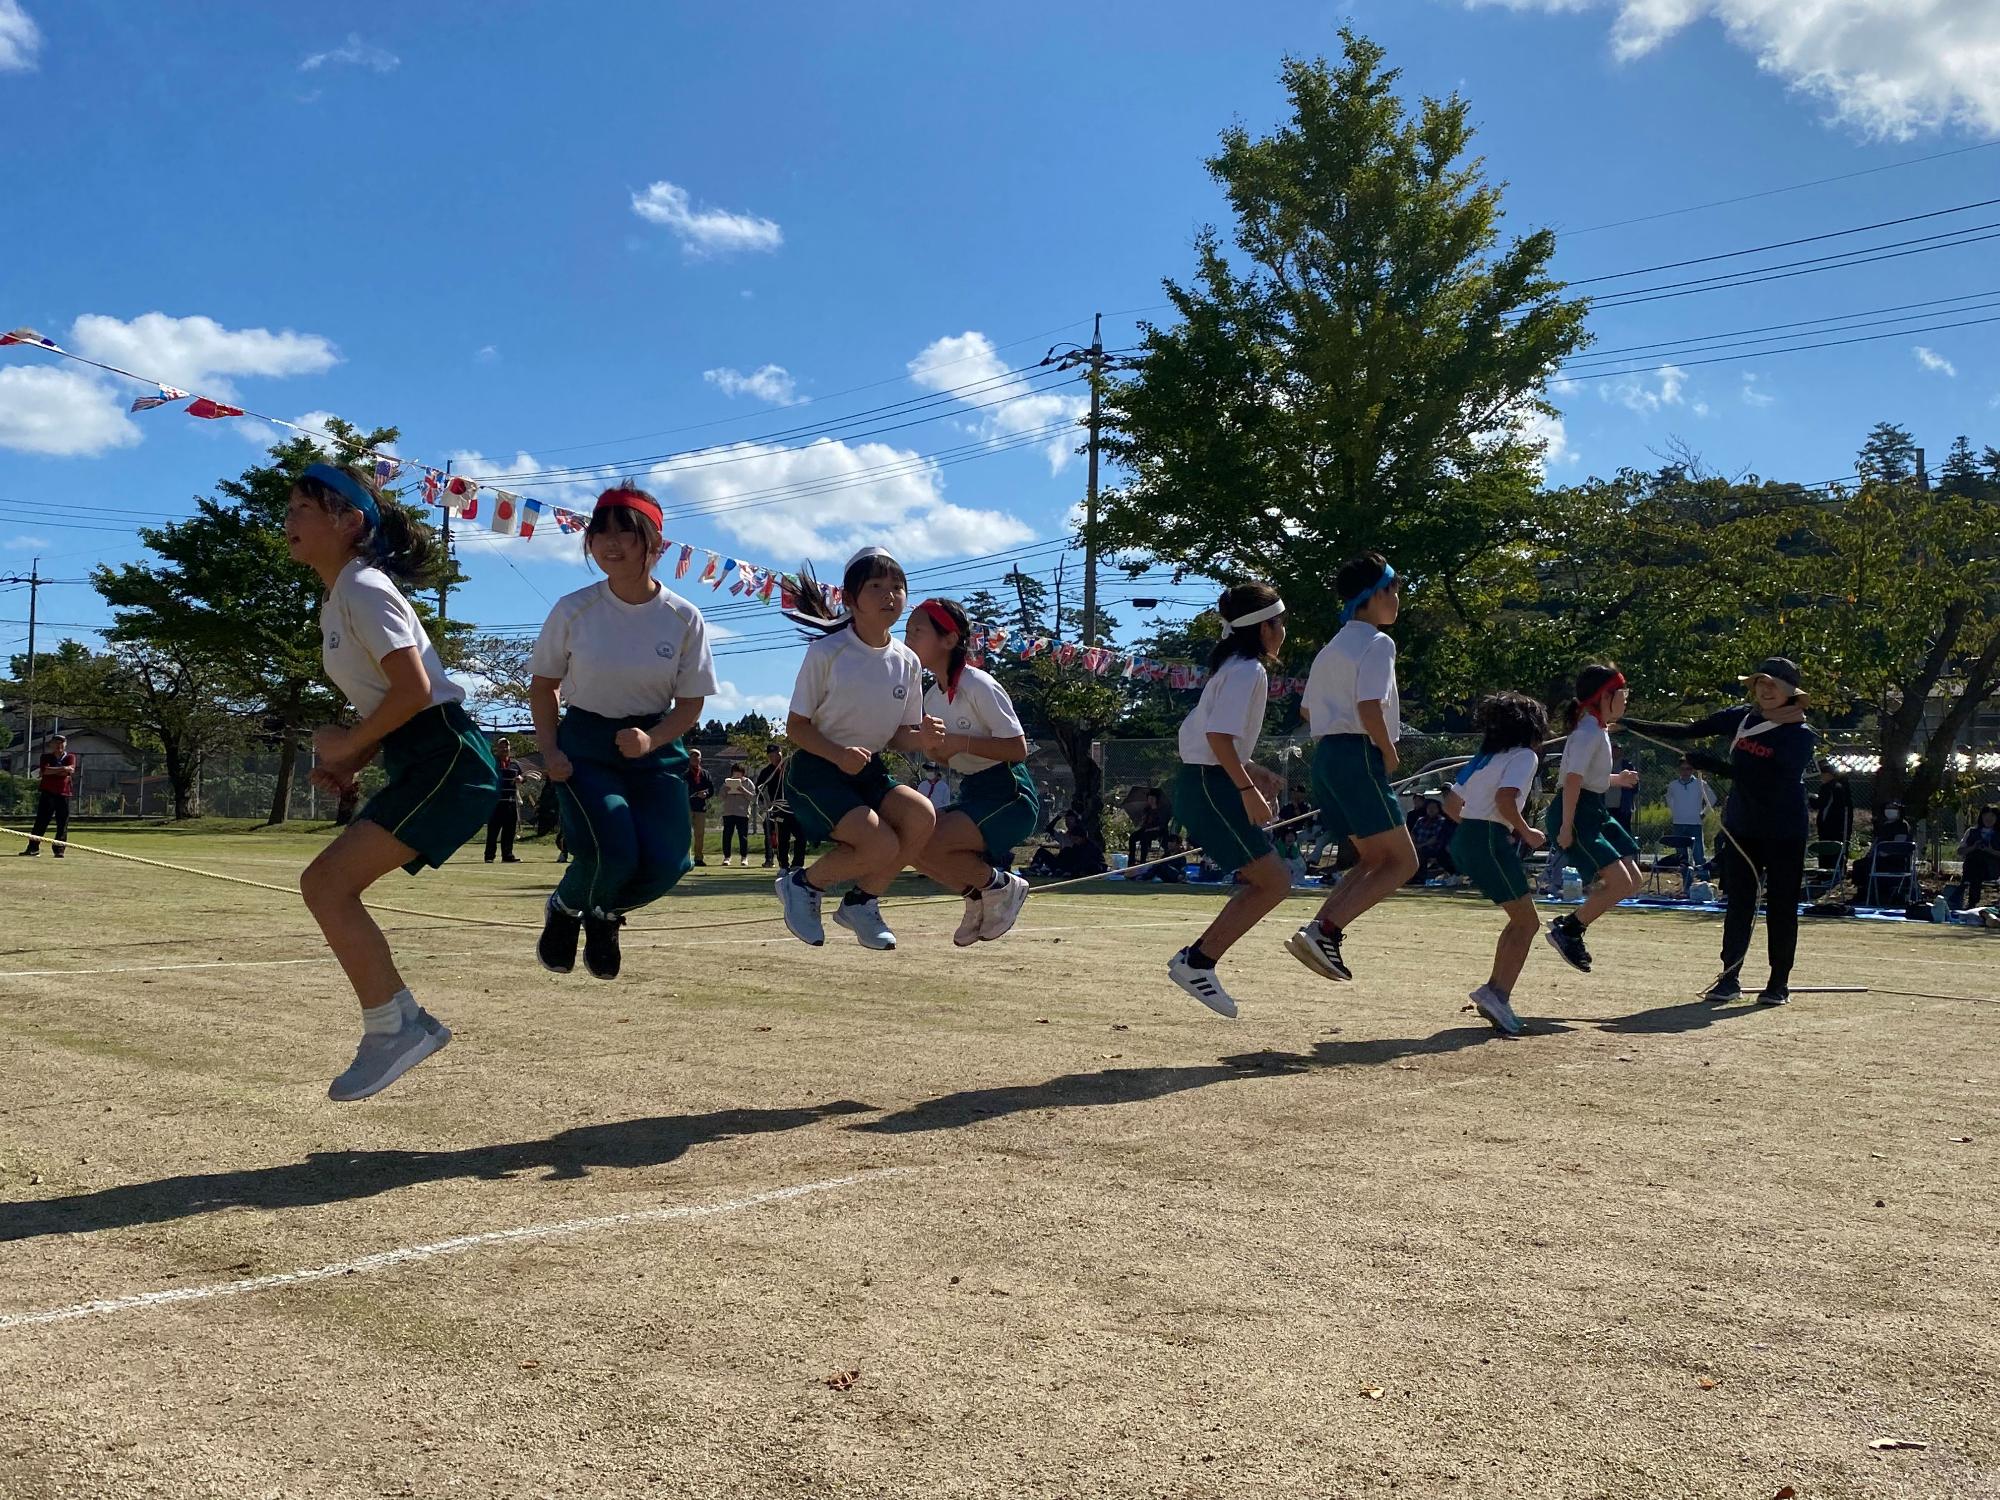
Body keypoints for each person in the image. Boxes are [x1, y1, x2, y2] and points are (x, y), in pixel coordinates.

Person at [287, 461, 498, 1101]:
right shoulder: (343, 595)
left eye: (302, 508)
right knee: (326, 885)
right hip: (425, 756)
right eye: (289, 508)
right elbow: (397, 701)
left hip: (448, 760)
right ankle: (397, 1023)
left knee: (325, 883)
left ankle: (396, 1026)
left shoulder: (363, 588)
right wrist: (354, 758)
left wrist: (349, 743)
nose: (288, 520)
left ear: (350, 522)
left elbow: (417, 689)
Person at [528, 486, 714, 981]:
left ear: (654, 545)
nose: (610, 544)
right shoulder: (574, 610)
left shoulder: (682, 616)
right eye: (599, 534)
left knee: (671, 862)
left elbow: (691, 703)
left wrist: (653, 740)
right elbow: (544, 686)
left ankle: (599, 912)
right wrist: (550, 750)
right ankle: (568, 909)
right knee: (613, 849)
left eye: (625, 535)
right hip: (587, 742)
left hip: (654, 742)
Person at [774, 547, 941, 950]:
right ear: (849, 599)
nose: (890, 595)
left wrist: (924, 738)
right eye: (877, 586)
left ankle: (861, 902)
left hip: (868, 769)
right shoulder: (827, 653)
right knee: (879, 843)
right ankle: (802, 885)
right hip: (817, 769)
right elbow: (797, 727)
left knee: (922, 816)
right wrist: (837, 755)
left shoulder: (908, 661)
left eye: (898, 587)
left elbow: (900, 734)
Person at [1626, 657, 1817, 1005]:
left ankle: (1778, 983)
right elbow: (1689, 730)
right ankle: (1730, 978)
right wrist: (1627, 722)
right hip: (1742, 827)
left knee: (1782, 906)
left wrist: (1714, 766)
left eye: (1774, 685)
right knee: (1739, 903)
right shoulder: (1740, 717)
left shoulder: (1799, 735)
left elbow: (1773, 778)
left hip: (1785, 830)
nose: (1765, 690)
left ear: (1791, 692)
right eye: (1761, 682)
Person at [1164, 583, 1291, 1018]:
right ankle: (1197, 963)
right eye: (1280, 621)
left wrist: (1254, 771)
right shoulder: (1247, 670)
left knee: (1271, 880)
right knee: (1273, 881)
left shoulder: (1236, 666)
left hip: (1206, 781)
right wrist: (1247, 790)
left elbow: (1214, 737)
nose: (1284, 630)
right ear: (1263, 627)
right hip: (1209, 786)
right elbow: (1216, 738)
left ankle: (1198, 961)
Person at [1291, 552, 1415, 983]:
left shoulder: (1331, 647)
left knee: (1372, 858)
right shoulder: (1379, 642)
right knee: (1403, 862)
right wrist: (1386, 749)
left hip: (1326, 756)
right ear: (1375, 594)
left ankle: (1318, 929)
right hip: (1358, 753)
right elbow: (1368, 704)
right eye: (1394, 589)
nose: (1398, 599)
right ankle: (1327, 930)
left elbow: (1308, 710)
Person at [904, 597, 1037, 944]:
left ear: (949, 640)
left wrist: (958, 743)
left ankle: (1002, 886)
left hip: (1010, 795)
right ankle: (977, 896)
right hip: (975, 792)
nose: (908, 639)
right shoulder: (930, 697)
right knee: (909, 844)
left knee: (926, 843)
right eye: (907, 631)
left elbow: (1017, 749)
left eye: (917, 630)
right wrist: (935, 749)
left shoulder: (979, 684)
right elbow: (949, 757)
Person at [1443, 692, 1551, 1036]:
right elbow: (1506, 800)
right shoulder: (1524, 757)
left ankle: (1494, 990)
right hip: (1488, 839)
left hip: (1467, 839)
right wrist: (1527, 832)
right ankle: (1498, 995)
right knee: (1528, 923)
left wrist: (1477, 829)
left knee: (1520, 919)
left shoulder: (1485, 757)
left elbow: (1451, 806)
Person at [1543, 664, 1644, 974]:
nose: (1626, 700)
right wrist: (1564, 828)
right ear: (1605, 696)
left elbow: (1590, 779)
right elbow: (1572, 781)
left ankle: (1571, 926)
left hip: (1593, 809)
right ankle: (1569, 929)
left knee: (1634, 880)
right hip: (1576, 813)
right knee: (1620, 883)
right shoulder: (1588, 732)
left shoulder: (1596, 730)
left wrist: (1617, 779)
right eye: (1622, 694)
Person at [1662, 757, 1718, 898]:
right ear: (1679, 770)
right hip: (1679, 824)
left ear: (1692, 770)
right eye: (1682, 769)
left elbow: (1712, 798)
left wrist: (1703, 813)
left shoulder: (1700, 783)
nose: (1685, 772)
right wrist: (1676, 812)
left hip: (1695, 823)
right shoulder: (1673, 785)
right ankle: (1688, 888)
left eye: (1688, 769)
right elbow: (1669, 798)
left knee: (1699, 855)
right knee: (1682, 858)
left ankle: (1706, 886)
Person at [19, 732, 76, 858]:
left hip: (64, 794)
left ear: (65, 745)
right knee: (41, 822)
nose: (59, 746)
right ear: (51, 744)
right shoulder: (46, 757)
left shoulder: (70, 757)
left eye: (61, 743)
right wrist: (63, 769)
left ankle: (59, 850)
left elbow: (69, 772)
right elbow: (45, 771)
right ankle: (33, 848)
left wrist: (58, 771)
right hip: (48, 793)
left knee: (62, 823)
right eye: (56, 743)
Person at [484, 736, 532, 863]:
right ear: (497, 748)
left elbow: (522, 777)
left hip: (511, 802)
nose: (504, 749)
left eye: (506, 746)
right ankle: (489, 856)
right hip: (496, 803)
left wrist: (521, 779)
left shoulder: (515, 764)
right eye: (502, 746)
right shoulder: (492, 763)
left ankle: (507, 855)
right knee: (493, 831)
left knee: (509, 831)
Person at [1956, 806, 2000, 910]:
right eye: (1985, 815)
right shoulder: (1971, 832)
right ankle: (1971, 902)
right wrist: (1973, 847)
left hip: (1992, 869)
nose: (1988, 819)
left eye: (1992, 816)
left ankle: (1971, 901)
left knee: (1976, 867)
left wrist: (1990, 851)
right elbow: (1960, 851)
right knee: (1975, 865)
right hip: (1972, 867)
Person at [1407, 794, 1454, 883]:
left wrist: (1420, 846)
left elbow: (1435, 839)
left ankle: (1419, 878)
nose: (1431, 810)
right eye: (1429, 808)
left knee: (1420, 852)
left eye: (1433, 808)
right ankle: (1407, 876)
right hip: (1417, 846)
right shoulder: (1421, 820)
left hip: (1433, 847)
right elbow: (1413, 834)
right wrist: (1413, 844)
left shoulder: (1441, 821)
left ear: (1438, 809)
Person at [754, 743, 787, 867]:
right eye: (771, 755)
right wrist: (765, 802)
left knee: (785, 833)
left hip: (789, 807)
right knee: (768, 829)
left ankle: (784, 858)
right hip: (773, 806)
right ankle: (769, 859)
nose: (774, 757)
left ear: (781, 754)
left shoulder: (788, 768)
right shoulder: (766, 771)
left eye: (777, 754)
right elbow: (759, 789)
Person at [1810, 765, 1854, 854]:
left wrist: (1810, 798)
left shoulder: (1828, 787)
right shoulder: (1841, 787)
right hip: (1841, 825)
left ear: (1829, 775)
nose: (1821, 777)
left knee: (1826, 850)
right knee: (1839, 851)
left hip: (1828, 825)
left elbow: (1820, 804)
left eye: (1823, 774)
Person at [719, 762, 756, 866]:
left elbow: (753, 798)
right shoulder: (727, 782)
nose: (736, 775)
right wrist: (726, 790)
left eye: (739, 773)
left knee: (743, 836)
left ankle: (744, 858)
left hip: (742, 813)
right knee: (727, 835)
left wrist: (743, 790)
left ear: (743, 774)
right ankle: (727, 857)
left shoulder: (748, 783)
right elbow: (721, 797)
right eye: (735, 773)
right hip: (728, 812)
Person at [685, 748, 715, 868]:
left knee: (699, 834)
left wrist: (705, 794)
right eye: (693, 757)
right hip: (687, 807)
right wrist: (695, 793)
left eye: (697, 757)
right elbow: (682, 787)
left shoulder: (705, 773)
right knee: (686, 834)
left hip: (700, 807)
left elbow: (711, 789)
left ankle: (698, 858)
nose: (695, 759)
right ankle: (686, 858)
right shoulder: (685, 773)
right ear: (689, 758)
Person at [1129, 788, 1169, 867]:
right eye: (1149, 798)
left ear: (1156, 799)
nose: (1150, 800)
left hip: (1157, 830)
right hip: (1146, 829)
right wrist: (1143, 822)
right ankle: (1131, 861)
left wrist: (1150, 829)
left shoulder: (1161, 810)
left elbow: (1161, 825)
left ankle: (1142, 861)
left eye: (1152, 798)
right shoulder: (1147, 809)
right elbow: (1143, 823)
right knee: (1133, 837)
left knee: (1144, 837)